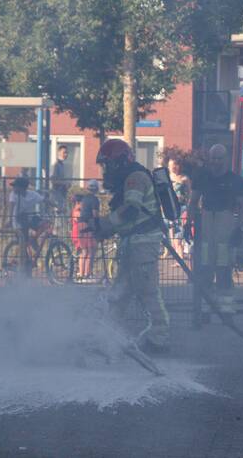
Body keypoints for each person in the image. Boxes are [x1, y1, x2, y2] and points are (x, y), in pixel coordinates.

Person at [90, 139, 171, 355]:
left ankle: (159, 339)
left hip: (143, 244)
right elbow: (127, 218)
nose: (105, 170)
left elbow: (131, 210)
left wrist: (104, 224)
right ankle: (107, 336)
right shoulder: (129, 178)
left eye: (108, 165)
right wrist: (106, 230)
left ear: (119, 162)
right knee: (121, 291)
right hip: (133, 243)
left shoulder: (135, 178)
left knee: (148, 291)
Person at [186, 144, 243, 326]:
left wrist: (239, 229)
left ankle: (226, 310)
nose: (216, 162)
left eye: (219, 158)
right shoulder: (202, 176)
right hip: (206, 224)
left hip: (225, 223)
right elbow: (193, 201)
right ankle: (205, 309)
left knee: (224, 270)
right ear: (209, 159)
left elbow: (242, 207)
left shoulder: (235, 180)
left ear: (226, 159)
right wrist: (188, 223)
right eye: (213, 158)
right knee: (205, 270)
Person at [71, 179, 101, 280]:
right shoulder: (94, 200)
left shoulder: (84, 199)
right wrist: (98, 227)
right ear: (96, 189)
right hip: (89, 225)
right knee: (91, 251)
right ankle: (88, 275)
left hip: (80, 224)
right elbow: (95, 214)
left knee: (84, 251)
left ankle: (81, 275)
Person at [50, 145, 70, 228]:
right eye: (64, 152)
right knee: (58, 215)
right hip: (57, 193)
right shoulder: (56, 165)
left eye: (67, 153)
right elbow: (53, 180)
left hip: (61, 194)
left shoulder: (62, 165)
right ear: (59, 152)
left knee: (62, 214)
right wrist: (64, 184)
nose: (66, 154)